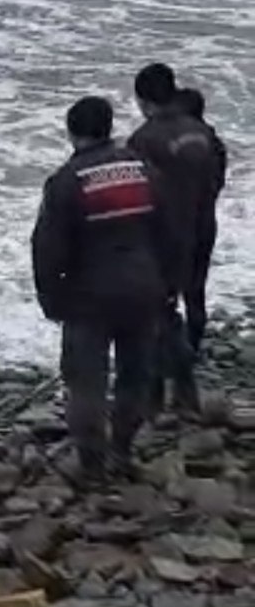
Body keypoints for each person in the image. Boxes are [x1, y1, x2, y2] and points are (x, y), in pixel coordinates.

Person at [31, 95, 170, 484]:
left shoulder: (66, 181)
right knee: (134, 376)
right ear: (108, 128)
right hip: (144, 289)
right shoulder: (144, 169)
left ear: (72, 132)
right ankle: (122, 453)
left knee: (86, 382)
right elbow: (169, 230)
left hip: (89, 299)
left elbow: (47, 249)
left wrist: (50, 299)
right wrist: (168, 283)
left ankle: (91, 467)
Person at [128, 62, 215, 413]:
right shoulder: (202, 131)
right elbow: (217, 177)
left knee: (159, 312)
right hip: (203, 225)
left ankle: (166, 392)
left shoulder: (144, 139)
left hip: (164, 237)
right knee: (195, 296)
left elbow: (138, 194)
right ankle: (191, 361)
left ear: (144, 100)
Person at [174, 86, 228, 355]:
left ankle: (170, 350)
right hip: (206, 222)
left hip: (180, 228)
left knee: (169, 292)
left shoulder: (177, 145)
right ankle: (194, 344)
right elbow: (217, 183)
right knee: (196, 289)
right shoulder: (213, 143)